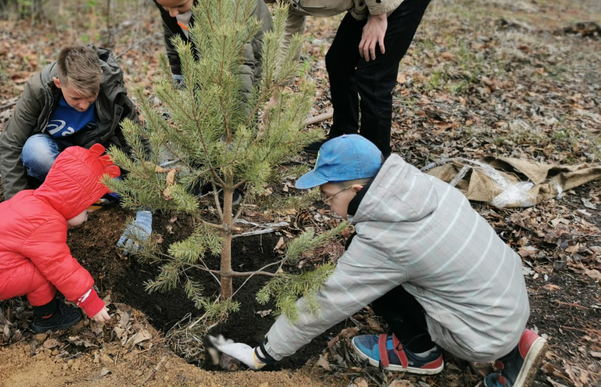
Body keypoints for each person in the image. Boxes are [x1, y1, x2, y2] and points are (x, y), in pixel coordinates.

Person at [208, 135, 548, 387]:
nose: (324, 204)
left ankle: (421, 355)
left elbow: (326, 303)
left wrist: (262, 354)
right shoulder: (422, 186)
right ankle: (513, 343)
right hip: (508, 300)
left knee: (375, 284)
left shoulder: (386, 243)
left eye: (328, 195)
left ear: (356, 190)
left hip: (481, 334)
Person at [260, 0, 434, 157]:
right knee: (338, 61)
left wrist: (378, 16)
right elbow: (289, 38)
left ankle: (375, 159)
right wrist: (276, 96)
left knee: (373, 75)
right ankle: (343, 137)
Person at [0, 145, 119, 333]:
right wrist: (89, 300)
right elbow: (61, 267)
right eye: (86, 211)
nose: (87, 217)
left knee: (36, 262)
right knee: (43, 273)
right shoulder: (47, 223)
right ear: (74, 202)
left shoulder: (29, 197)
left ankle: (22, 285)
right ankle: (48, 317)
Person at [0, 45, 149, 250]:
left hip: (95, 156)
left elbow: (136, 144)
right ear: (58, 83)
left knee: (120, 183)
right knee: (36, 152)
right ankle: (78, 199)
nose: (84, 105)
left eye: (91, 96)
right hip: (55, 155)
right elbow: (11, 143)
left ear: (100, 77)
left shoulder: (111, 90)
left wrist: (145, 209)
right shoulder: (38, 90)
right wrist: (18, 211)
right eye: (75, 98)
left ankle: (92, 198)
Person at [147, 0, 273, 96]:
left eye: (179, 6)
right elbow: (173, 33)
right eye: (166, 7)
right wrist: (179, 74)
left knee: (235, 86)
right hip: (208, 21)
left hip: (251, 30)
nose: (172, 13)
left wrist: (242, 118)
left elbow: (243, 63)